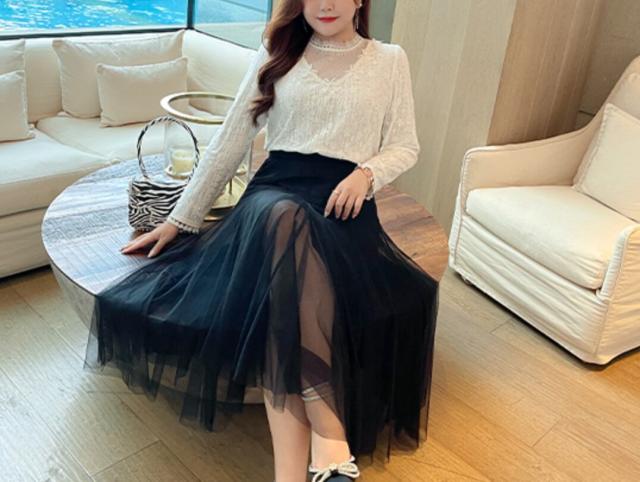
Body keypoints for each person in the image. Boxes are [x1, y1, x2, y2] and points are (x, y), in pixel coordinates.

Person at [86, 1, 439, 481]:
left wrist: (367, 174)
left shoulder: (389, 60)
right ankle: (330, 439)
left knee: (287, 307)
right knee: (285, 221)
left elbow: (405, 144)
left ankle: (293, 473)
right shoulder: (277, 51)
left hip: (344, 209)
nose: (326, 4)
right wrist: (180, 219)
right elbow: (230, 141)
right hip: (276, 196)